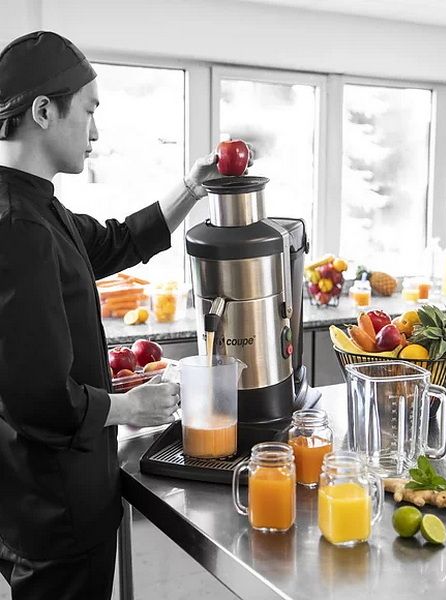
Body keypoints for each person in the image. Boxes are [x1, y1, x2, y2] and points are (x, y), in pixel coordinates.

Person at [0, 31, 221, 600]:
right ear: (43, 112)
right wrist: (131, 406)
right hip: (58, 511)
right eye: (90, 111)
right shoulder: (19, 226)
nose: (95, 132)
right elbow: (39, 397)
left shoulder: (35, 206)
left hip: (38, 499)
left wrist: (192, 187)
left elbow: (114, 242)